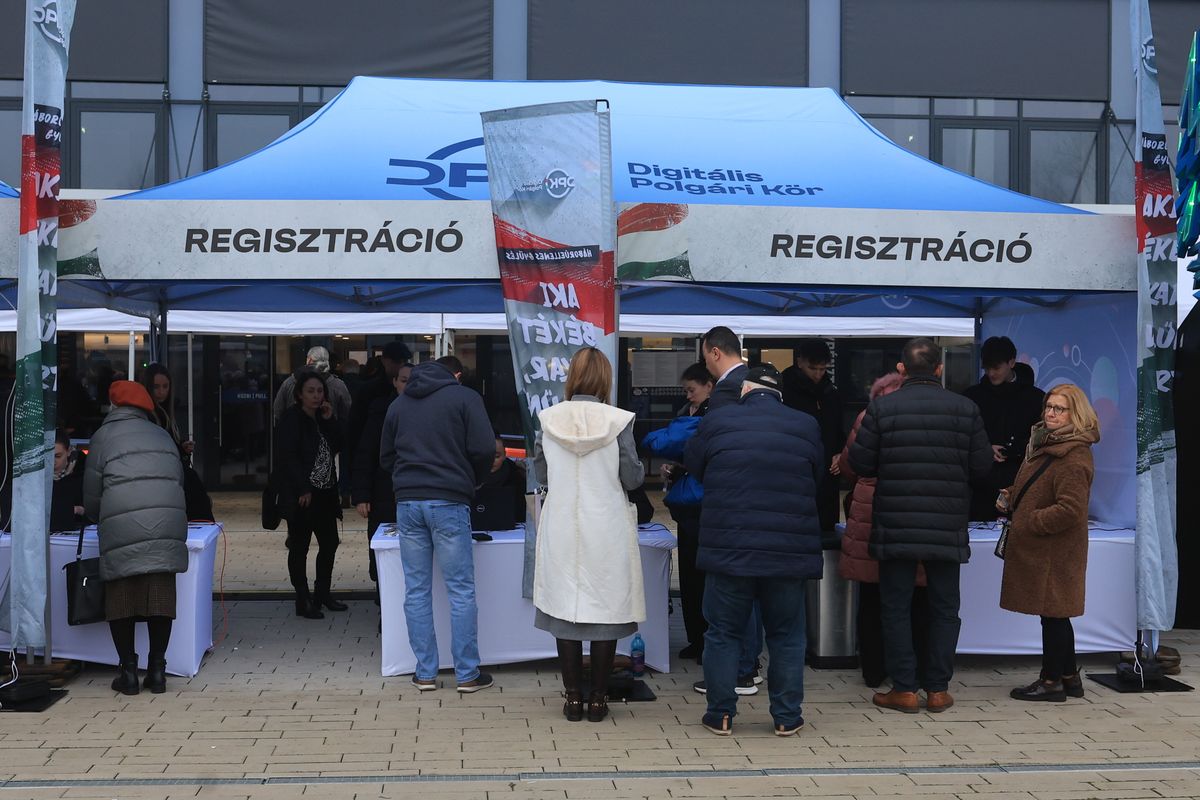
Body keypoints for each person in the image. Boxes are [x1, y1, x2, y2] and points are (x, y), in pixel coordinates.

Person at [848, 338, 992, 714]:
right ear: (940, 369)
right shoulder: (966, 408)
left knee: (894, 607)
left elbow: (860, 464)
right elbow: (982, 468)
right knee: (945, 607)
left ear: (902, 369)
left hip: (896, 522)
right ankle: (939, 688)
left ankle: (905, 688)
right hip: (946, 521)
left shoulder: (882, 409)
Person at [683, 364, 823, 736]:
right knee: (787, 635)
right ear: (779, 392)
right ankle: (786, 716)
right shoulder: (805, 424)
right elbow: (818, 474)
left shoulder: (718, 421)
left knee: (724, 632)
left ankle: (721, 714)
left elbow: (695, 466)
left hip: (730, 547)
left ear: (744, 389)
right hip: (787, 549)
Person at [532, 347, 645, 722]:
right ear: (605, 380)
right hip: (607, 523)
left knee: (565, 606)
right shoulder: (619, 421)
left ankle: (572, 699)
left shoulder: (547, 420)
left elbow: (542, 475)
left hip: (562, 521)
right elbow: (632, 477)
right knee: (606, 607)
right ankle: (598, 699)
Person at [380, 357, 496, 693]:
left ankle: (425, 672)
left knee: (416, 590)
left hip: (408, 502)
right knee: (460, 589)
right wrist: (470, 481)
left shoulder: (399, 404)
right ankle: (467, 674)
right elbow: (484, 448)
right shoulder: (466, 398)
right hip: (449, 499)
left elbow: (386, 457)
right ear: (456, 374)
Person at [82, 381, 187, 695]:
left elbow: (92, 497)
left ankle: (127, 672)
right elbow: (179, 481)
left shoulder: (102, 437)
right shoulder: (163, 435)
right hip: (165, 525)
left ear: (114, 406)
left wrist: (97, 515)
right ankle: (157, 671)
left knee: (122, 599)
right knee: (159, 598)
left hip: (121, 527)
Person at [998, 384, 1099, 702]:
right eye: (1049, 407)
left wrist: (1031, 521)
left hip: (1055, 551)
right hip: (1046, 550)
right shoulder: (1045, 443)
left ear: (1076, 414)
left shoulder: (1073, 454)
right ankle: (1069, 676)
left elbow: (1071, 509)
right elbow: (1038, 486)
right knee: (1055, 614)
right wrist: (1013, 496)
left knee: (1054, 614)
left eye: (1060, 409)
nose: (1051, 413)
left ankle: (1051, 681)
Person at [837, 372, 929, 688]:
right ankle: (913, 668)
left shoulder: (868, 416)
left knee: (872, 594)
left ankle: (874, 669)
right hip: (914, 506)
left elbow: (850, 464)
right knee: (915, 594)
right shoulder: (922, 417)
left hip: (868, 509)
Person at [698, 327, 764, 688]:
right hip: (763, 502)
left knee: (731, 597)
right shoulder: (761, 385)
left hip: (732, 505)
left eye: (705, 355)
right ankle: (747, 665)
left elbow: (708, 450)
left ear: (714, 352)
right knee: (752, 591)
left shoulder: (726, 391)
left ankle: (740, 669)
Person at [642, 361, 713, 663]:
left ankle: (704, 640)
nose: (688, 396)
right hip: (689, 504)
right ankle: (696, 638)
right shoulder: (691, 413)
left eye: (691, 390)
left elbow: (662, 441)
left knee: (702, 576)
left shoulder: (710, 414)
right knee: (690, 577)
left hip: (703, 504)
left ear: (709, 384)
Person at [274, 370, 345, 620]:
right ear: (299, 395)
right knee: (300, 546)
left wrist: (330, 420)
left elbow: (337, 445)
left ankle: (322, 593)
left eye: (319, 391)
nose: (316, 396)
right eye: (311, 391)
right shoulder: (291, 419)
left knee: (329, 543)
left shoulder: (322, 418)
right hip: (303, 494)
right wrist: (302, 488)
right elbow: (288, 457)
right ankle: (302, 598)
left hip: (325, 492)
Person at [962, 336, 1045, 521]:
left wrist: (1016, 448)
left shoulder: (1035, 398)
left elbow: (1042, 436)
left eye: (996, 367)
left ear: (1012, 363)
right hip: (980, 485)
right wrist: (984, 448)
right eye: (987, 368)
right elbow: (960, 435)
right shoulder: (972, 397)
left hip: (1021, 481)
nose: (991, 373)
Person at [352, 362, 412, 588]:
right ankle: (384, 605)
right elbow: (365, 454)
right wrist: (361, 495)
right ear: (395, 382)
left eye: (412, 381)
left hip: (412, 493)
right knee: (383, 550)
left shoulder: (426, 410)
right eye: (404, 380)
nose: (408, 385)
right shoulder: (381, 412)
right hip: (383, 491)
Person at [781, 339, 845, 532]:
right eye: (813, 368)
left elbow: (838, 430)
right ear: (800, 362)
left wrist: (840, 453)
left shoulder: (830, 392)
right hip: (795, 473)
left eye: (822, 369)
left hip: (827, 475)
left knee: (825, 529)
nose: (818, 374)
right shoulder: (784, 391)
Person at [346, 341, 413, 479]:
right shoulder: (369, 390)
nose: (400, 365)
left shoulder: (370, 388)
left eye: (403, 361)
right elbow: (355, 429)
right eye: (396, 361)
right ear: (385, 361)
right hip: (376, 457)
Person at [273, 346, 353, 424]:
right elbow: (347, 413)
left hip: (294, 429)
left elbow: (278, 411)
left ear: (309, 360)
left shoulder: (289, 382)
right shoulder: (338, 385)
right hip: (327, 432)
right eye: (311, 391)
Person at [141, 363, 194, 461]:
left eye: (165, 386)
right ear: (148, 387)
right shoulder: (144, 414)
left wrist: (182, 448)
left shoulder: (170, 409)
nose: (161, 392)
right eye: (156, 387)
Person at [476, 435, 527, 528]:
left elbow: (523, 514)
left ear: (504, 455)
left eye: (496, 456)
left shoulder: (517, 478)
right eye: (486, 456)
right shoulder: (466, 477)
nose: (491, 461)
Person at [701, 326, 746, 410]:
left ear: (715, 354)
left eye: (705, 358)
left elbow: (716, 422)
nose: (706, 366)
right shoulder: (754, 380)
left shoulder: (726, 388)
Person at [50, 431, 85, 532]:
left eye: (58, 456)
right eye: (48, 456)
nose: (53, 461)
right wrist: (74, 510)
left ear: (69, 451)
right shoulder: (36, 477)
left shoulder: (81, 474)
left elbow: (91, 514)